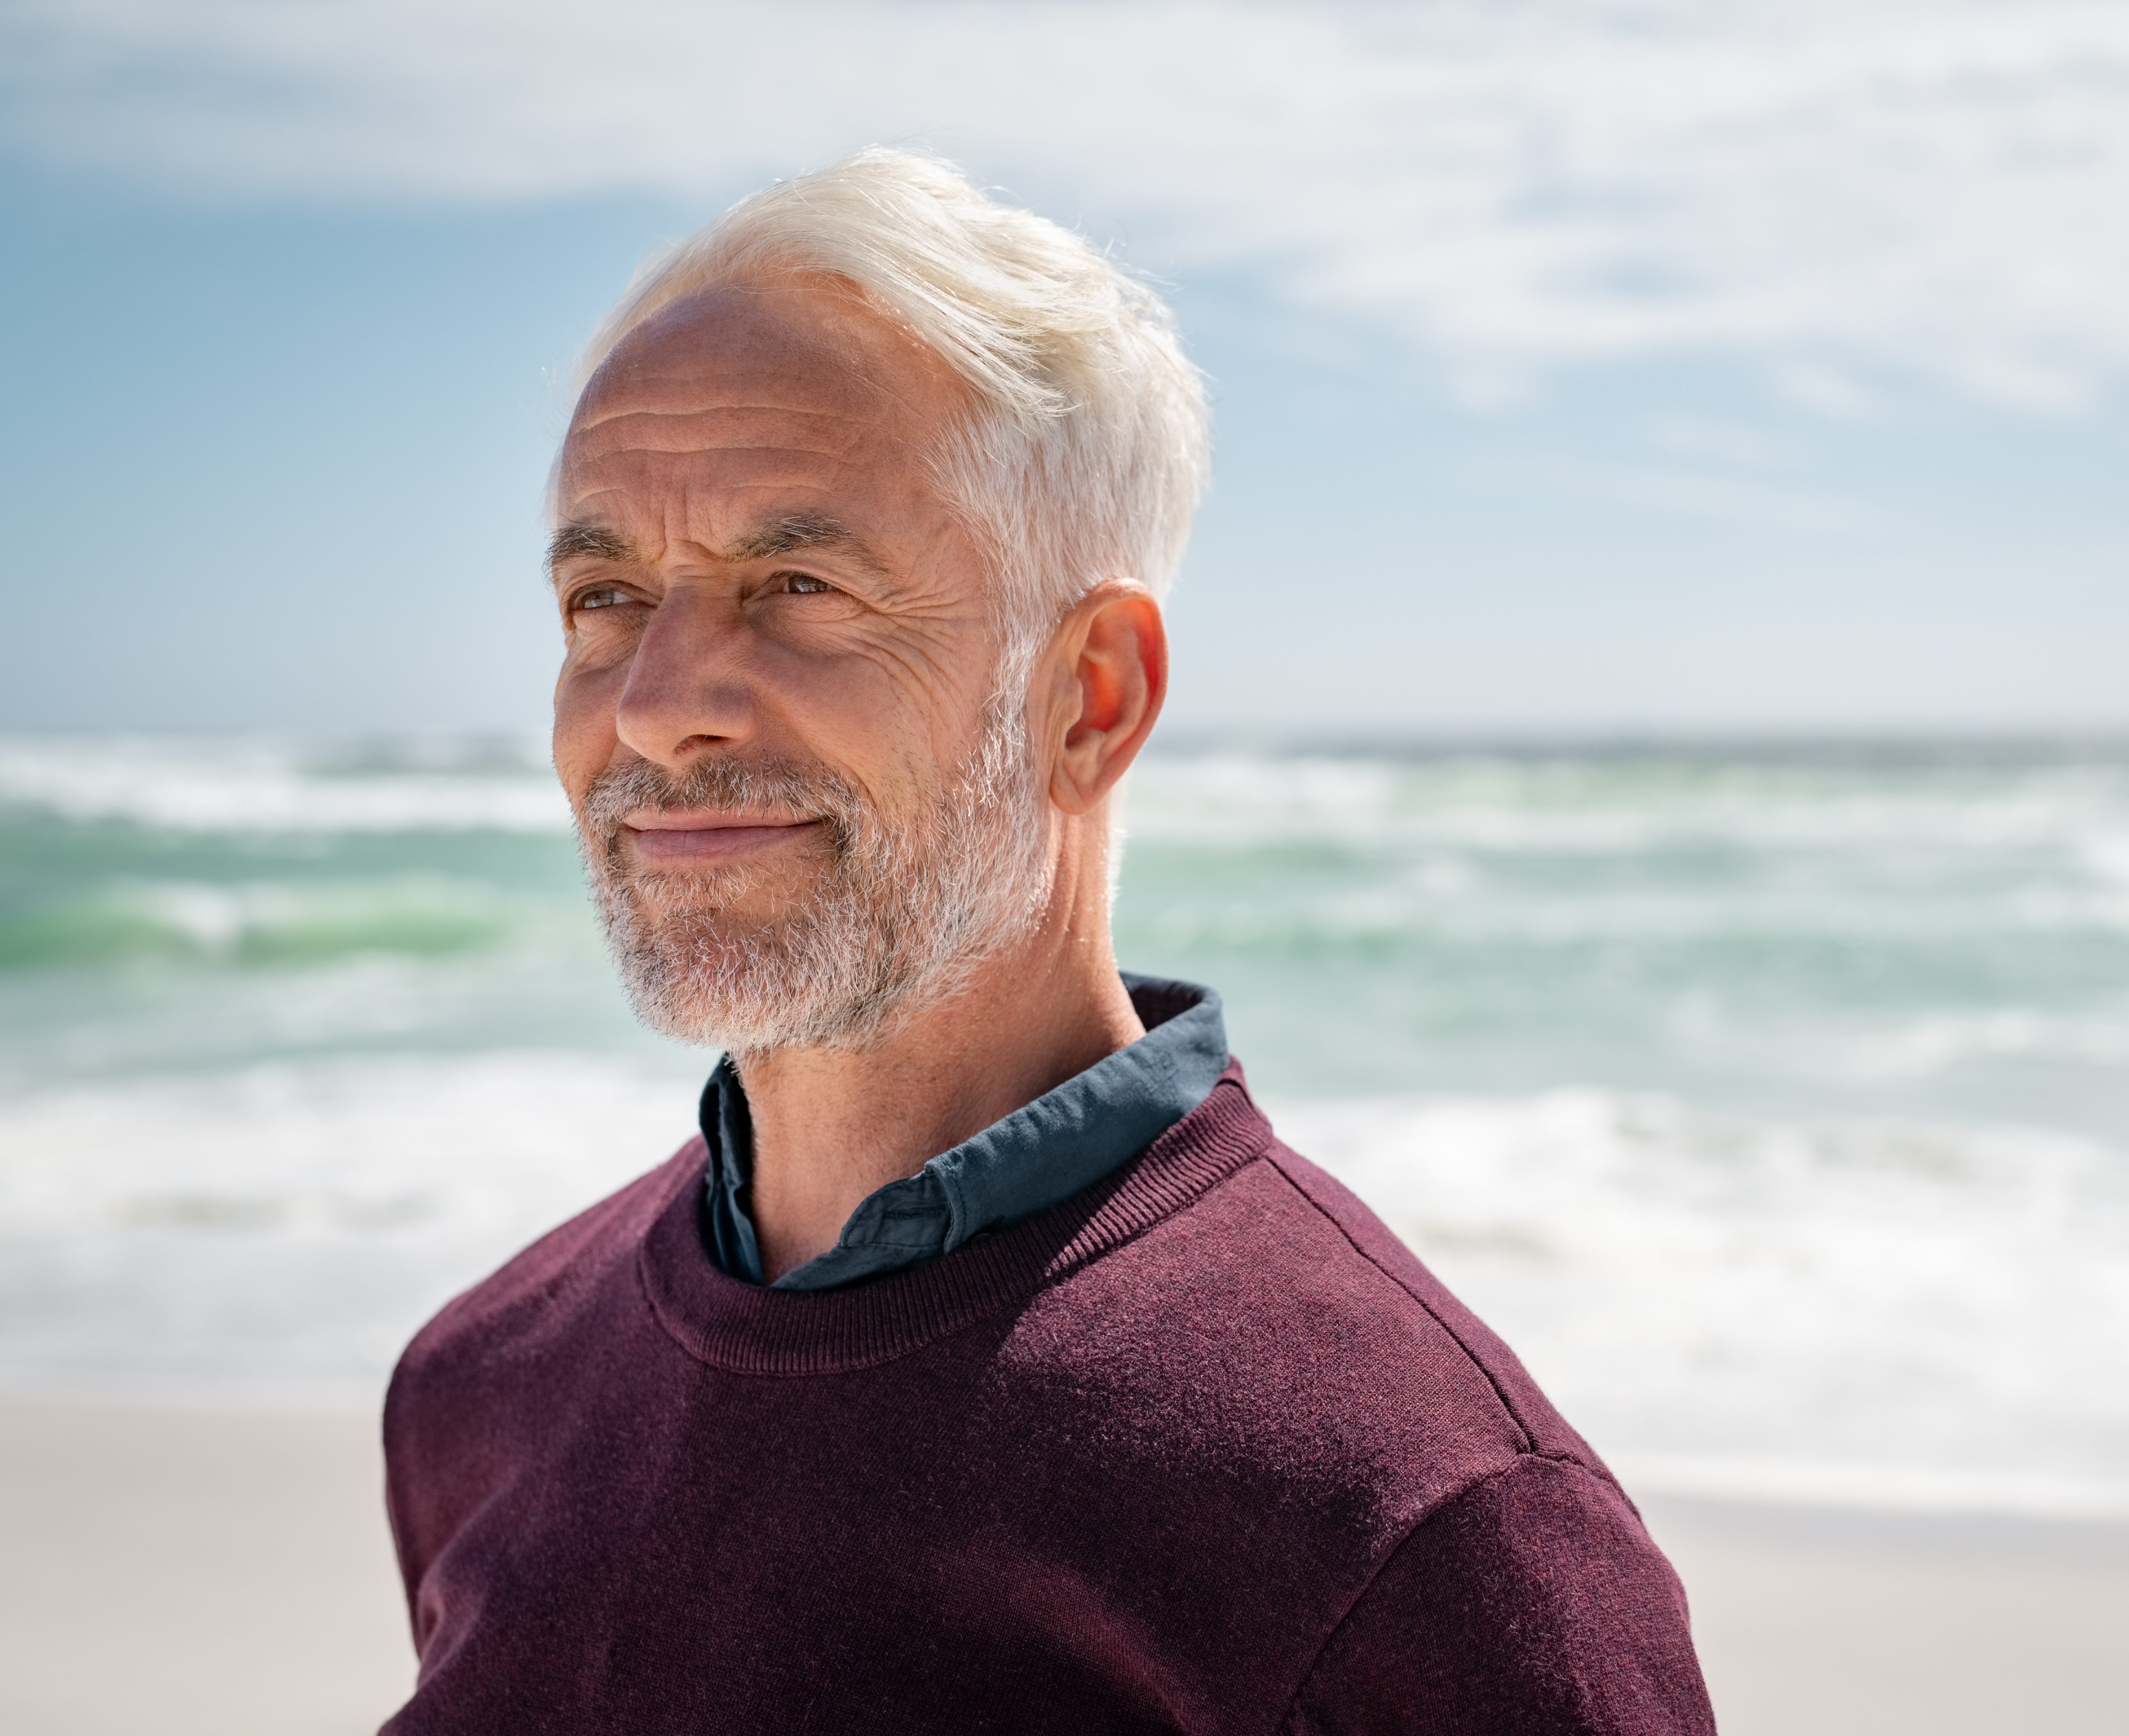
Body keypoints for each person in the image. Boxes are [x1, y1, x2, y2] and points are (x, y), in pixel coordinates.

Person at [379, 148, 1714, 1735]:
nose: (657, 708)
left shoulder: (1412, 1521)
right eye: (605, 597)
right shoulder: (484, 1383)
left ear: (1092, 696)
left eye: (797, 584)